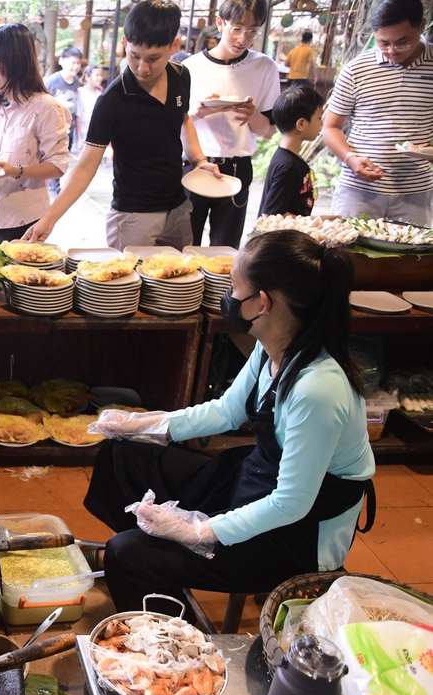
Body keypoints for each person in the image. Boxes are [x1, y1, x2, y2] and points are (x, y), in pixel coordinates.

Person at [85, 230, 375, 613]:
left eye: (235, 290)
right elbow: (226, 411)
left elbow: (291, 504)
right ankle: (156, 563)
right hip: (257, 479)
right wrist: (142, 425)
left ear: (263, 303)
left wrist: (198, 531)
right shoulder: (274, 344)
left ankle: (167, 632)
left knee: (124, 553)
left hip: (296, 535)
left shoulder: (318, 389)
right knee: (121, 455)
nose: (230, 298)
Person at [24, 1, 220, 249]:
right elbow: (85, 167)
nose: (142, 68)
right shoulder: (111, 101)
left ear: (174, 46)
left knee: (179, 285)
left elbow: (182, 119)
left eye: (153, 58)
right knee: (127, 286)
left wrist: (199, 161)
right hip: (132, 216)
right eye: (134, 56)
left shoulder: (182, 75)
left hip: (178, 208)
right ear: (125, 43)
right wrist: (49, 218)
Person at [323, 0, 433, 223]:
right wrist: (350, 158)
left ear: (421, 26)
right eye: (383, 43)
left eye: (402, 42)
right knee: (348, 256)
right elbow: (331, 127)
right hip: (358, 190)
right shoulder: (356, 70)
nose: (392, 51)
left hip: (415, 192)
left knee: (409, 257)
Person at [184, 0, 280, 247]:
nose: (243, 38)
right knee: (184, 245)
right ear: (220, 23)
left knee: (225, 250)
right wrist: (196, 112)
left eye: (252, 31)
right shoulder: (190, 67)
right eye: (236, 28)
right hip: (195, 164)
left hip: (236, 168)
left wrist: (253, 114)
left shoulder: (265, 67)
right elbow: (176, 124)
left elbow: (268, 131)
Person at [0, 23, 70, 243]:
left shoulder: (47, 108)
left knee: (14, 276)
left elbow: (58, 166)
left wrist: (15, 171)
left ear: (17, 60)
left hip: (20, 217)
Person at [259, 85, 325, 217]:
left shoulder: (291, 159)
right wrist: (317, 221)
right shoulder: (287, 166)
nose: (322, 123)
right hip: (281, 238)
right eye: (319, 118)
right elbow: (271, 215)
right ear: (301, 124)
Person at [44, 47, 82, 197]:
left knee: (63, 157)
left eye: (78, 63)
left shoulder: (77, 83)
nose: (75, 66)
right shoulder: (52, 81)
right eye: (73, 63)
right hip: (53, 129)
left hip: (69, 128)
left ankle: (54, 186)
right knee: (54, 157)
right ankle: (54, 189)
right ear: (62, 61)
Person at [73, 65, 104, 153]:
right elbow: (78, 116)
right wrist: (79, 137)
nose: (100, 78)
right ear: (87, 77)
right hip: (84, 131)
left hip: (96, 132)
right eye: (97, 75)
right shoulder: (81, 92)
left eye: (100, 75)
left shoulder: (99, 93)